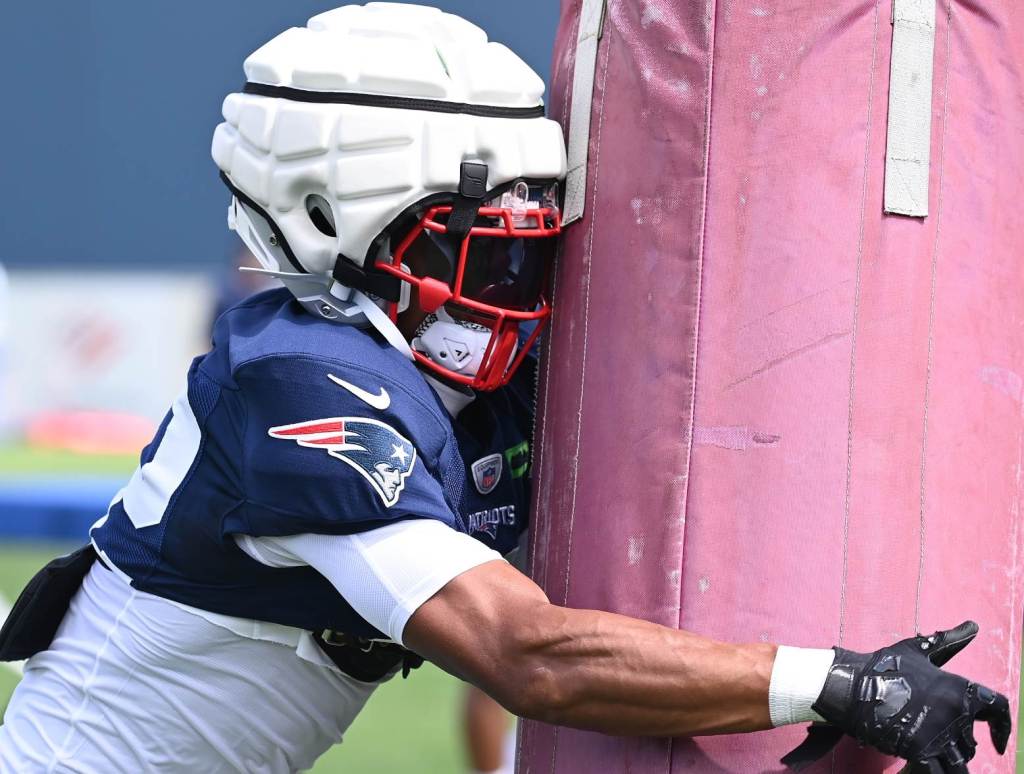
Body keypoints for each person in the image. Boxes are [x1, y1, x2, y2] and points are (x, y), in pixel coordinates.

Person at [0, 5, 1011, 773]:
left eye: (530, 250)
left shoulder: (449, 388)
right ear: (328, 223)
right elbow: (526, 654)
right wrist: (836, 682)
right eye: (475, 249)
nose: (509, 294)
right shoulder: (300, 391)